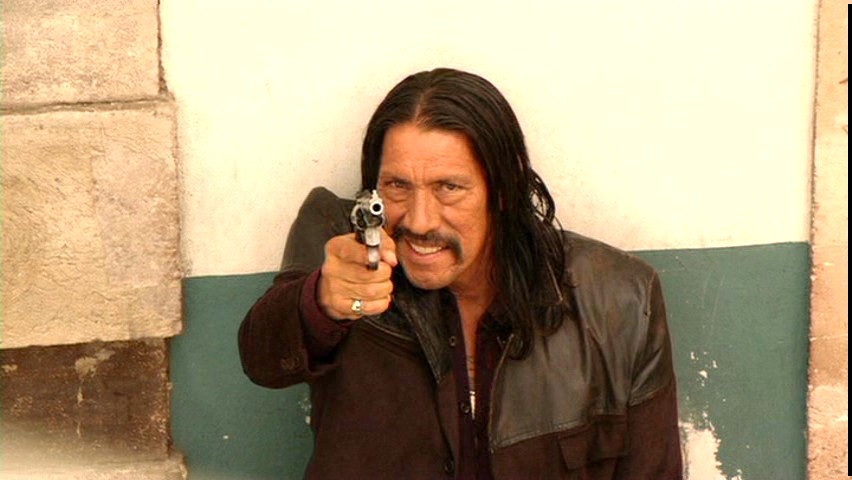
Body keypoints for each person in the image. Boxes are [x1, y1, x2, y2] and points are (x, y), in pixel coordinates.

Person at [238, 68, 683, 479]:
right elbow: (262, 359)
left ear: (503, 189)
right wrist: (323, 301)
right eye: (397, 186)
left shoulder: (621, 298)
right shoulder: (341, 241)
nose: (420, 220)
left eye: (448, 188)